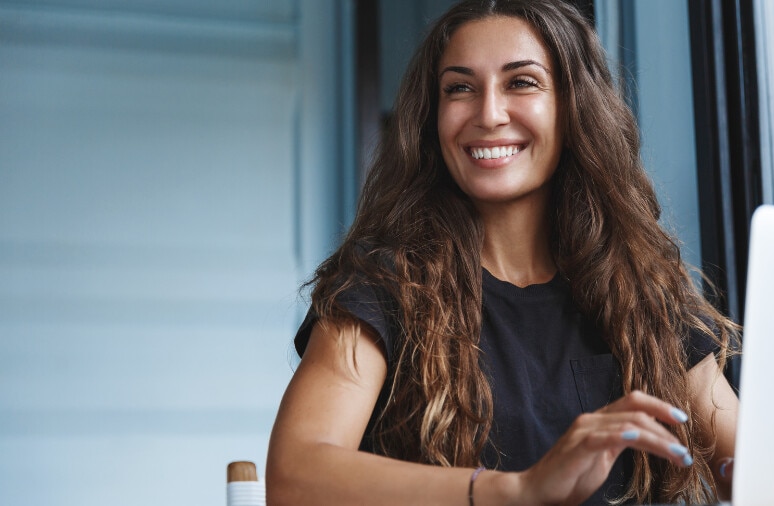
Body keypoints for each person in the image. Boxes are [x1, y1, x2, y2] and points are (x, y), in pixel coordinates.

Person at [267, 0, 740, 504]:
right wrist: (517, 491)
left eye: (521, 82)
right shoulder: (381, 283)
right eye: (460, 88)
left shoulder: (642, 291)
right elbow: (295, 476)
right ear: (432, 117)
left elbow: (754, 467)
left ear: (573, 105)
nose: (489, 114)